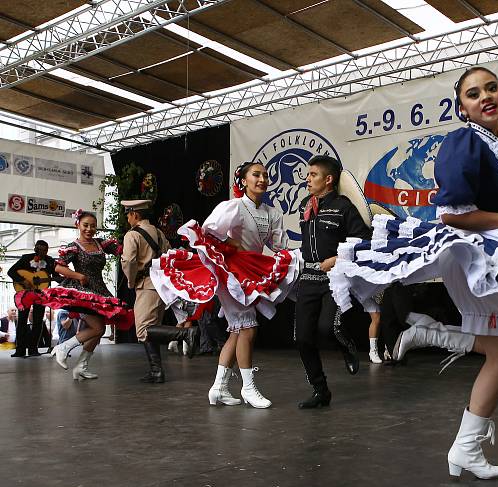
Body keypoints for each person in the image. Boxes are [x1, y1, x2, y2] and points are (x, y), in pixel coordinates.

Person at [329, 67, 498, 479]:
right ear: (463, 108)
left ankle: (425, 334)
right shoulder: (463, 143)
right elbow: (456, 216)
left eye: (491, 88)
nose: (485, 97)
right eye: (473, 94)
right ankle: (465, 449)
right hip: (475, 256)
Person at [150, 162, 298, 407]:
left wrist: (291, 258)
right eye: (256, 174)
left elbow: (279, 246)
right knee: (248, 328)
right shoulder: (234, 206)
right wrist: (231, 245)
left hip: (251, 271)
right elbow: (208, 232)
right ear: (244, 180)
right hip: (230, 271)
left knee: (237, 330)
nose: (261, 179)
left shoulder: (273, 213)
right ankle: (248, 388)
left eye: (264, 175)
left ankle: (218, 388)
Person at [294, 155, 372, 409]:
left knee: (328, 329)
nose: (307, 179)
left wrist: (337, 258)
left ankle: (347, 345)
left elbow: (363, 241)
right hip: (308, 278)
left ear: (328, 179)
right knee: (303, 338)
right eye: (308, 174)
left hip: (333, 278)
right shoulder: (305, 205)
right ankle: (320, 390)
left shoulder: (344, 207)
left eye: (313, 174)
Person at [21, 210, 134, 380]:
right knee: (98, 328)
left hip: (100, 290)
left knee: (98, 330)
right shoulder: (74, 246)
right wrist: (79, 276)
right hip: (83, 292)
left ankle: (81, 366)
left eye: (93, 226)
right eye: (86, 225)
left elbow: (123, 250)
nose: (89, 229)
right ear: (78, 225)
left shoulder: (100, 243)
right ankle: (63, 348)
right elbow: (59, 268)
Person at [121, 199, 198, 384]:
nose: (128, 218)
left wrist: (131, 281)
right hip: (160, 286)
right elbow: (168, 256)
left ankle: (185, 334)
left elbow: (129, 261)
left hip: (146, 285)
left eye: (128, 214)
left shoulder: (131, 235)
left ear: (135, 215)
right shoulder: (158, 233)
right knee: (152, 330)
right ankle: (156, 371)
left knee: (143, 330)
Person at [7, 240, 59, 357]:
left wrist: (62, 279)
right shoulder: (26, 258)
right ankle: (20, 350)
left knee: (38, 321)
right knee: (22, 320)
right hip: (25, 294)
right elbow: (11, 271)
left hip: (40, 295)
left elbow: (56, 276)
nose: (43, 252)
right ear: (35, 249)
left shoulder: (50, 261)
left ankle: (33, 349)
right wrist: (23, 281)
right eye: (40, 250)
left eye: (45, 250)